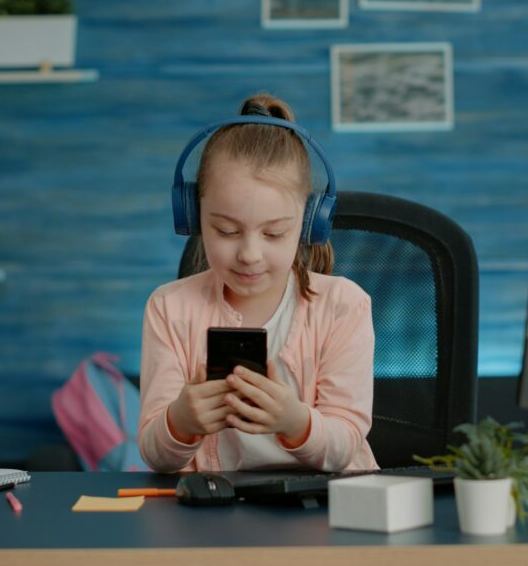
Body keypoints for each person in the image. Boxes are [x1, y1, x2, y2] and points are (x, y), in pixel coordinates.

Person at [138, 93, 378, 473]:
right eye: (227, 230)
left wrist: (296, 422)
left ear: (307, 224)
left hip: (327, 513)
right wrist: (179, 422)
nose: (249, 253)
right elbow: (156, 456)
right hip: (215, 516)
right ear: (194, 218)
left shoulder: (344, 306)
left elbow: (345, 446)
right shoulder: (169, 309)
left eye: (274, 234)